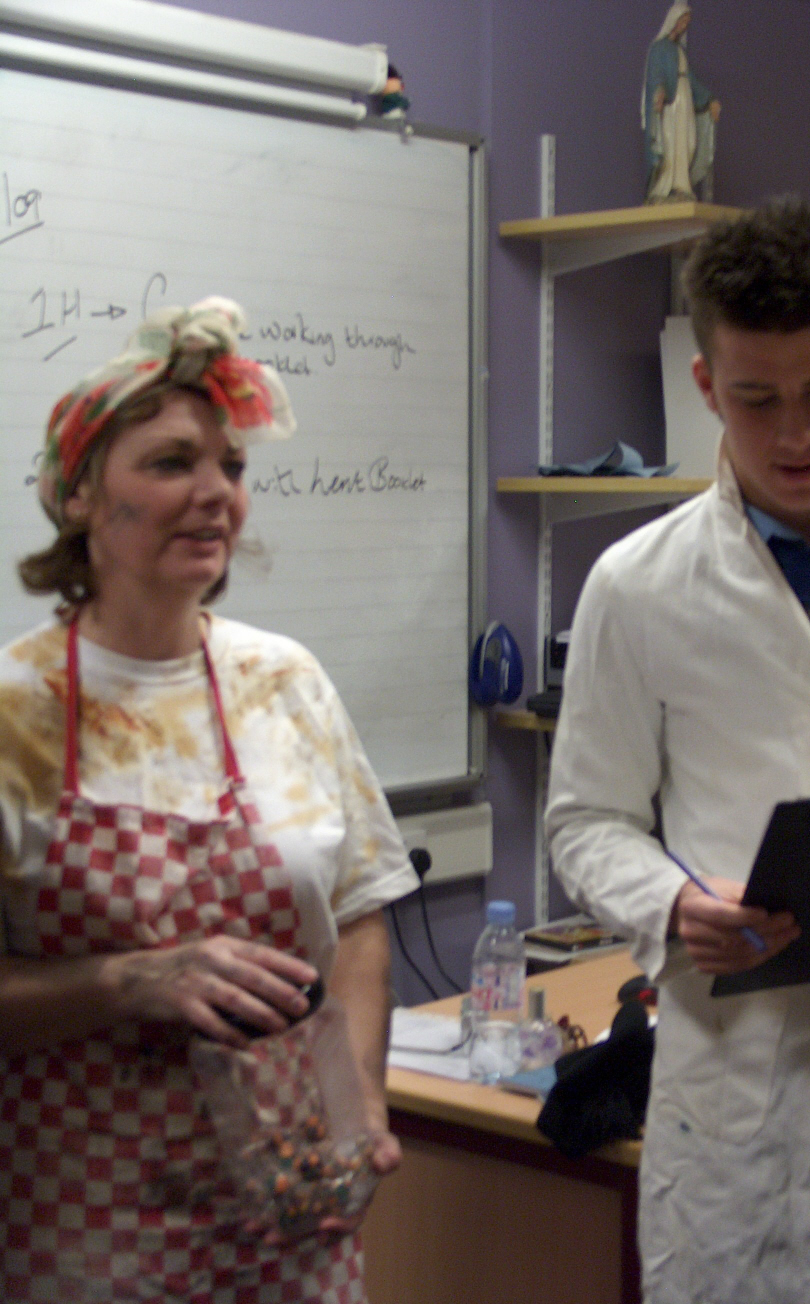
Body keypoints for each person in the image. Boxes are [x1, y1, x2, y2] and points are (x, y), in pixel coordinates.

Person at [546, 200, 810, 1303]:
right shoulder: (637, 586)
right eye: (756, 399)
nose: (795, 436)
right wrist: (672, 905)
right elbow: (585, 820)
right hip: (746, 1077)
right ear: (705, 385)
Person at [0, 297, 420, 1303]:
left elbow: (360, 919)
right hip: (84, 1236)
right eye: (170, 463)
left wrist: (360, 1099)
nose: (214, 494)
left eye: (230, 467)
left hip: (293, 1218)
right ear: (80, 496)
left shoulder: (286, 682)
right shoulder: (16, 709)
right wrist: (123, 981)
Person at [642, 2, 720, 204]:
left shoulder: (680, 51)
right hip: (671, 104)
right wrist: (659, 91)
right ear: (674, 21)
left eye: (687, 22)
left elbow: (691, 79)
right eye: (683, 21)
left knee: (688, 142)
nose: (685, 26)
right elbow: (655, 75)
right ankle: (663, 187)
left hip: (685, 100)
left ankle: (681, 186)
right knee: (670, 143)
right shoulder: (659, 48)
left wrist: (709, 99)